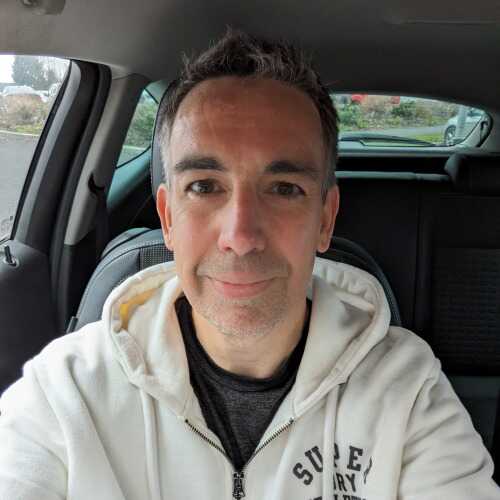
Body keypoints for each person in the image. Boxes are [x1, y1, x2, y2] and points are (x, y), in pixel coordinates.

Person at [0, 29, 499, 500]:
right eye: (204, 186)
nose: (240, 237)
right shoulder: (67, 392)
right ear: (168, 218)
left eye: (284, 189)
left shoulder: (406, 390)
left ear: (326, 220)